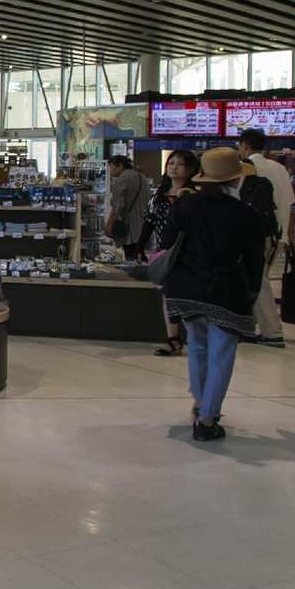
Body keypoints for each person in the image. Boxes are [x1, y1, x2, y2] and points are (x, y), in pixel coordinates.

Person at [158, 145, 267, 440]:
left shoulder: (183, 205)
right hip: (225, 289)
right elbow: (254, 260)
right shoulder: (245, 214)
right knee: (222, 352)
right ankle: (207, 420)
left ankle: (200, 401)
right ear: (235, 179)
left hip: (185, 288)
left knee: (196, 344)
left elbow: (167, 244)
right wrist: (252, 291)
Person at [237, 128, 294, 348]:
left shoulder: (245, 167)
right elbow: (289, 203)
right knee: (257, 279)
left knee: (257, 280)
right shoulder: (280, 168)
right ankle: (248, 326)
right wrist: (288, 236)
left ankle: (272, 332)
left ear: (244, 146)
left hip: (253, 234)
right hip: (275, 233)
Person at [145, 149, 198, 357]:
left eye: (180, 164)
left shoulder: (194, 195)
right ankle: (173, 338)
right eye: (171, 163)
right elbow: (149, 220)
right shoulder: (159, 194)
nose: (174, 167)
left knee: (189, 294)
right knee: (167, 294)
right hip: (165, 252)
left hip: (189, 252)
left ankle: (194, 336)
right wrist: (141, 245)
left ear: (191, 169)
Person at [106, 154, 150, 259]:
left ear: (120, 166)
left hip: (129, 226)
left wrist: (109, 224)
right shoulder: (142, 177)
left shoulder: (121, 179)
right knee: (140, 255)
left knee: (130, 256)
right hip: (144, 225)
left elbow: (118, 206)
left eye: (111, 168)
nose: (110, 172)